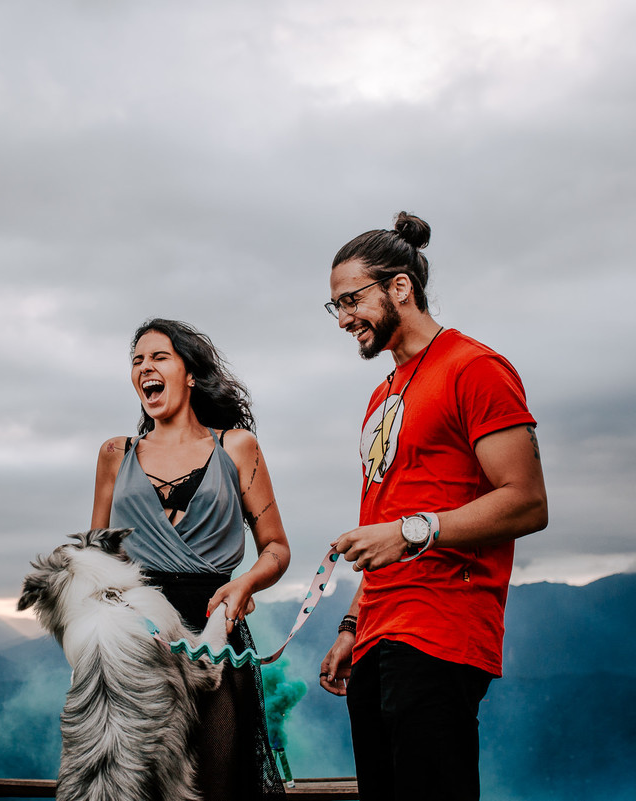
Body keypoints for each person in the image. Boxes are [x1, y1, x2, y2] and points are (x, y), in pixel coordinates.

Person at [317, 212, 548, 801]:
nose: (343, 319)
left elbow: (526, 502)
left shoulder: (475, 369)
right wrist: (351, 624)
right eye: (334, 307)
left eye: (351, 300)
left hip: (442, 628)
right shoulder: (384, 391)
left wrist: (410, 533)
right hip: (377, 633)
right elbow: (387, 519)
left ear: (401, 287)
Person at [91, 318, 291, 801]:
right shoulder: (115, 455)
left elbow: (277, 550)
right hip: (136, 645)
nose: (145, 368)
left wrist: (245, 585)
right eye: (137, 361)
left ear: (190, 374)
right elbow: (96, 558)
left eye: (159, 357)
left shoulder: (237, 447)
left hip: (215, 640)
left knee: (219, 789)